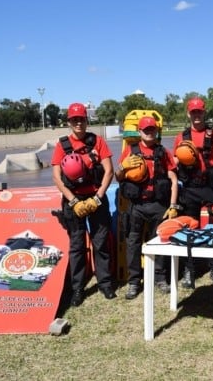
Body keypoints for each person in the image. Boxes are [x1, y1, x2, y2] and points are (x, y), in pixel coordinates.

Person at [51, 102, 115, 306]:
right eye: (74, 120)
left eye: (81, 119)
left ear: (87, 120)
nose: (78, 123)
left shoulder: (97, 141)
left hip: (97, 198)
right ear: (69, 122)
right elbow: (57, 178)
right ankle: (77, 288)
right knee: (77, 246)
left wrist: (98, 197)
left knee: (100, 243)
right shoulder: (62, 145)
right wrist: (73, 201)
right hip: (74, 200)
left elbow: (109, 171)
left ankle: (105, 283)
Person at [116, 116, 179, 300]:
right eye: (145, 130)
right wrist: (122, 166)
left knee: (160, 242)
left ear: (156, 131)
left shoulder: (163, 152)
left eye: (152, 129)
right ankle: (134, 281)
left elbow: (173, 180)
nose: (149, 132)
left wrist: (173, 205)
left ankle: (160, 278)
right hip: (136, 206)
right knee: (133, 243)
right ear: (139, 132)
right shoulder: (130, 150)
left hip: (159, 205)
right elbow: (118, 177)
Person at [173, 97, 213, 288]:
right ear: (188, 113)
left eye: (199, 111)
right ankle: (189, 270)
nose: (196, 115)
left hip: (211, 190)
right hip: (190, 189)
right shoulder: (181, 137)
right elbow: (174, 163)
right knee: (189, 229)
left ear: (204, 112)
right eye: (193, 112)